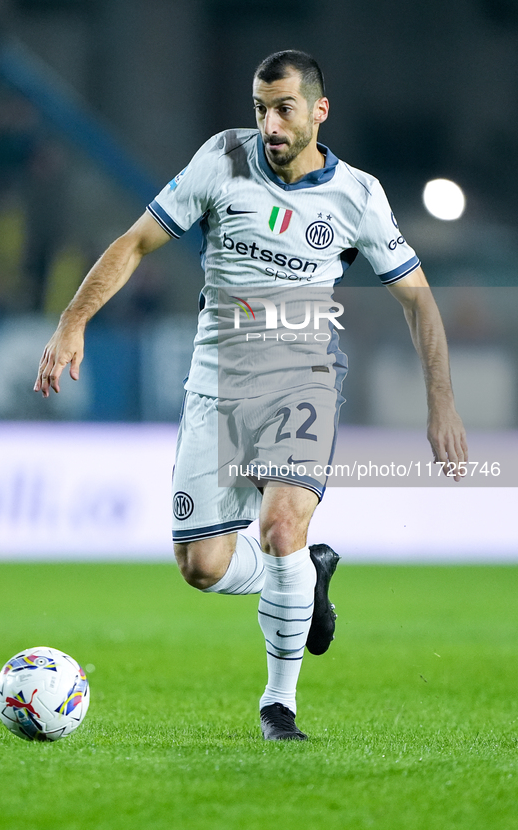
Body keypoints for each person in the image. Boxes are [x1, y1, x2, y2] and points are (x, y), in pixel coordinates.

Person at [35, 50, 467, 741]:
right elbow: (137, 240)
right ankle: (301, 578)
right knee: (201, 567)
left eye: (284, 108)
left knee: (279, 526)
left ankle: (278, 704)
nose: (269, 122)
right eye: (260, 107)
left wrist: (440, 404)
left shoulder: (356, 195)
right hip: (215, 383)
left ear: (319, 111)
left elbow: (417, 299)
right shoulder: (220, 160)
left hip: (302, 379)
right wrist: (72, 319)